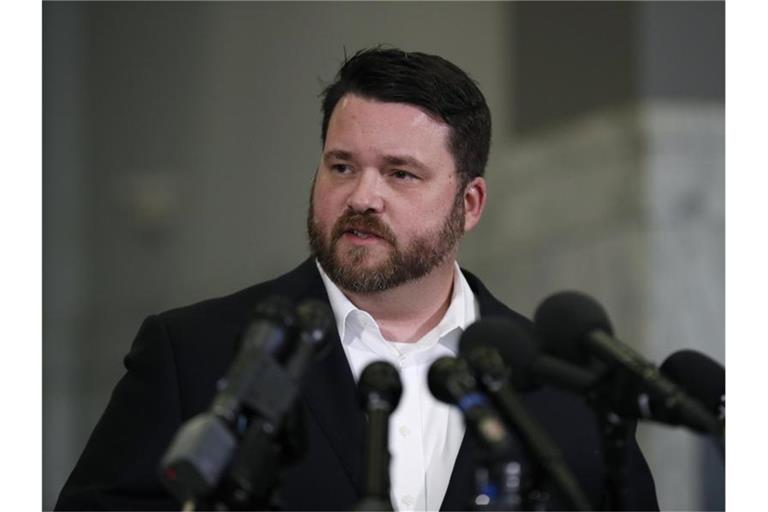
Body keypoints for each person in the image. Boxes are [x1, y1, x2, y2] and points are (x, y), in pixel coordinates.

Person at [55, 47, 658, 511]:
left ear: (469, 204)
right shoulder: (196, 354)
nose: (362, 196)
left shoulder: (569, 393)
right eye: (342, 166)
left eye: (400, 174)